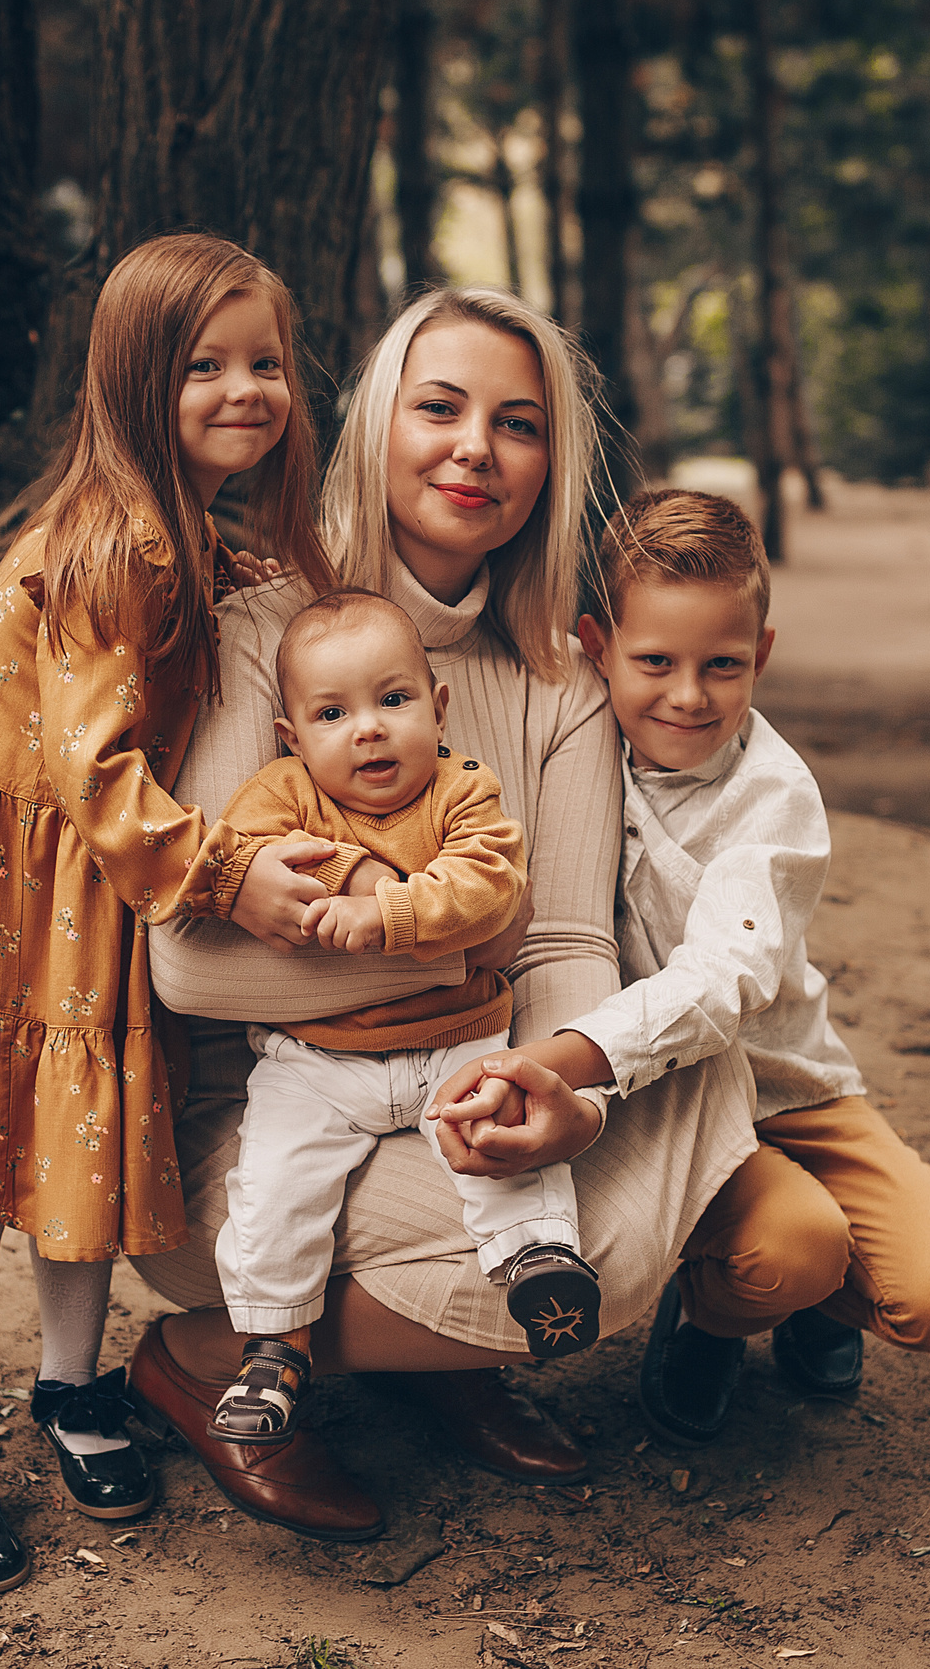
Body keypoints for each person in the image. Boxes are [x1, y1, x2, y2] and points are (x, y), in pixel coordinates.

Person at [130, 288, 761, 1543]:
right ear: (376, 426)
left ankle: (423, 1358)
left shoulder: (557, 685)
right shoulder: (259, 638)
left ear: (549, 464)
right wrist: (460, 942)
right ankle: (200, 1353)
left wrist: (548, 1090)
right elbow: (195, 969)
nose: (475, 445)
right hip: (261, 1111)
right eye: (441, 406)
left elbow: (570, 942)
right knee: (593, 1252)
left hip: (461, 1074)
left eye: (516, 423)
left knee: (681, 1096)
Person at [0, 233, 338, 1593]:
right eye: (205, 365)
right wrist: (229, 876)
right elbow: (90, 762)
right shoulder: (120, 541)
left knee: (78, 1128)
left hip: (83, 877)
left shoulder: (192, 532)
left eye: (267, 363)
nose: (246, 388)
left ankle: (69, 1385)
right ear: (133, 382)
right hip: (8, 871)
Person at [428, 487, 930, 1448]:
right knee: (795, 1247)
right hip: (658, 1098)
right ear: (594, 646)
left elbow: (720, 982)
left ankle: (813, 1300)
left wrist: (563, 1063)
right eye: (655, 661)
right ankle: (720, 1312)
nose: (688, 695)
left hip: (785, 1085)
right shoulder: (569, 742)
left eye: (722, 665)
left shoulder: (773, 795)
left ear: (762, 657)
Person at [204, 588, 600, 1451]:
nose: (370, 729)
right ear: (292, 738)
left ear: (438, 705)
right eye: (333, 712)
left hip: (457, 1040)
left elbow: (491, 886)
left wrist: (384, 912)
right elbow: (242, 858)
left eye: (393, 699)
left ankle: (538, 1259)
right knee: (274, 1182)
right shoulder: (279, 793)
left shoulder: (464, 792)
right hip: (319, 1059)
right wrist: (338, 868)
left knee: (497, 1126)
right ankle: (275, 1344)